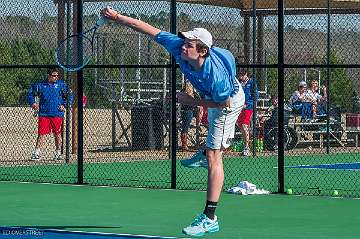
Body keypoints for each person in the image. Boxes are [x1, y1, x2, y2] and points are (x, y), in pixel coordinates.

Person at [101, 7, 245, 237]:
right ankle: (207, 152)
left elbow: (224, 104)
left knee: (215, 157)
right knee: (212, 149)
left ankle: (210, 218)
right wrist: (117, 17)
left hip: (229, 101)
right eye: (185, 41)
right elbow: (146, 28)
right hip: (213, 95)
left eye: (190, 43)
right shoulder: (179, 48)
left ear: (203, 51)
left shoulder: (217, 79)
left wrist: (191, 100)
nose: (183, 44)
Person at [27, 68, 73, 161]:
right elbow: (30, 94)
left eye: (57, 76)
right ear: (49, 76)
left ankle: (58, 153)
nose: (56, 77)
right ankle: (36, 153)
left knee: (57, 133)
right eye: (54, 75)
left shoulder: (61, 85)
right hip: (44, 113)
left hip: (57, 113)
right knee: (41, 133)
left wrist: (65, 105)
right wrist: (33, 103)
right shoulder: (40, 85)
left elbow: (70, 95)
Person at [236, 70, 259, 156]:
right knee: (241, 125)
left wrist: (249, 104)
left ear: (246, 74)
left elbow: (255, 95)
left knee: (244, 125)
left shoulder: (252, 83)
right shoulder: (239, 83)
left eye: (242, 74)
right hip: (240, 107)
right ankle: (245, 145)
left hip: (248, 107)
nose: (241, 77)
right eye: (240, 75)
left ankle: (247, 148)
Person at [179, 80, 198, 151]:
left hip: (185, 111)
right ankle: (184, 145)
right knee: (185, 128)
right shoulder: (189, 92)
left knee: (185, 127)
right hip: (188, 111)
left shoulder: (183, 91)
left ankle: (184, 145)